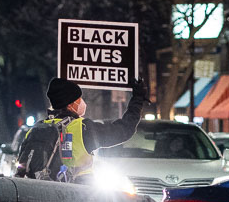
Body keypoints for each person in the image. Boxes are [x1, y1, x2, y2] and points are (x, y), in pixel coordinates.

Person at [16, 76, 150, 182]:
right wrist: (138, 99)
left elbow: (22, 163)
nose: (82, 102)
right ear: (71, 104)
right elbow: (124, 130)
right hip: (77, 194)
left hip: (42, 194)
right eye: (79, 99)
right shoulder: (83, 128)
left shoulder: (36, 128)